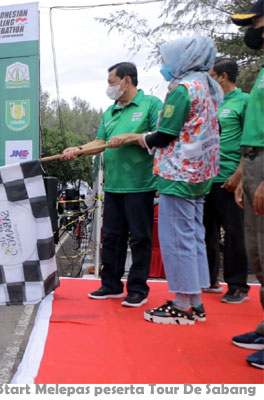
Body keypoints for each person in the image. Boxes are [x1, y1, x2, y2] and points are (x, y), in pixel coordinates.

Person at [110, 36, 223, 325]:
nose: (165, 66)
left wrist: (138, 137)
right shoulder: (209, 87)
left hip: (178, 175)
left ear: (184, 59)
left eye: (167, 59)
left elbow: (164, 134)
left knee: (177, 240)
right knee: (194, 237)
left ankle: (182, 303)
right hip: (200, 174)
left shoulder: (182, 89)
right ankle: (195, 301)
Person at [61, 62, 163, 307]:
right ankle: (111, 284)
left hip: (140, 185)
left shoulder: (151, 104)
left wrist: (129, 137)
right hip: (113, 186)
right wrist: (78, 150)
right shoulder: (110, 112)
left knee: (139, 238)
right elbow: (99, 141)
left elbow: (160, 138)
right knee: (112, 237)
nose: (110, 87)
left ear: (126, 81)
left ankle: (138, 289)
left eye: (111, 82)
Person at [230, 0, 264, 370]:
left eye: (256, 21)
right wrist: (243, 172)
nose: (252, 29)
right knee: (259, 255)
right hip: (254, 161)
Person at [203, 58, 251, 302]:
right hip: (205, 179)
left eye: (210, 76)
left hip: (230, 179)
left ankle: (237, 286)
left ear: (222, 77)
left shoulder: (245, 102)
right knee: (206, 233)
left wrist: (239, 174)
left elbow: (251, 141)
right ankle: (209, 280)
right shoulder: (210, 103)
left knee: (234, 234)